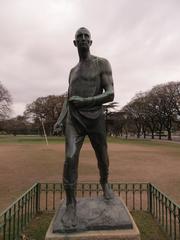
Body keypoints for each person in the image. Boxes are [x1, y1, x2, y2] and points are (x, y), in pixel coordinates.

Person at [54, 27, 114, 229]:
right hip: (74, 120)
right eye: (79, 37)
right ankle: (71, 204)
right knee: (70, 158)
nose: (82, 39)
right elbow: (68, 99)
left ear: (91, 41)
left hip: (95, 117)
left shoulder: (101, 63)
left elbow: (110, 93)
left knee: (103, 157)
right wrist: (60, 119)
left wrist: (86, 100)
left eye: (86, 36)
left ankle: (104, 182)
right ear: (74, 43)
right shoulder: (72, 71)